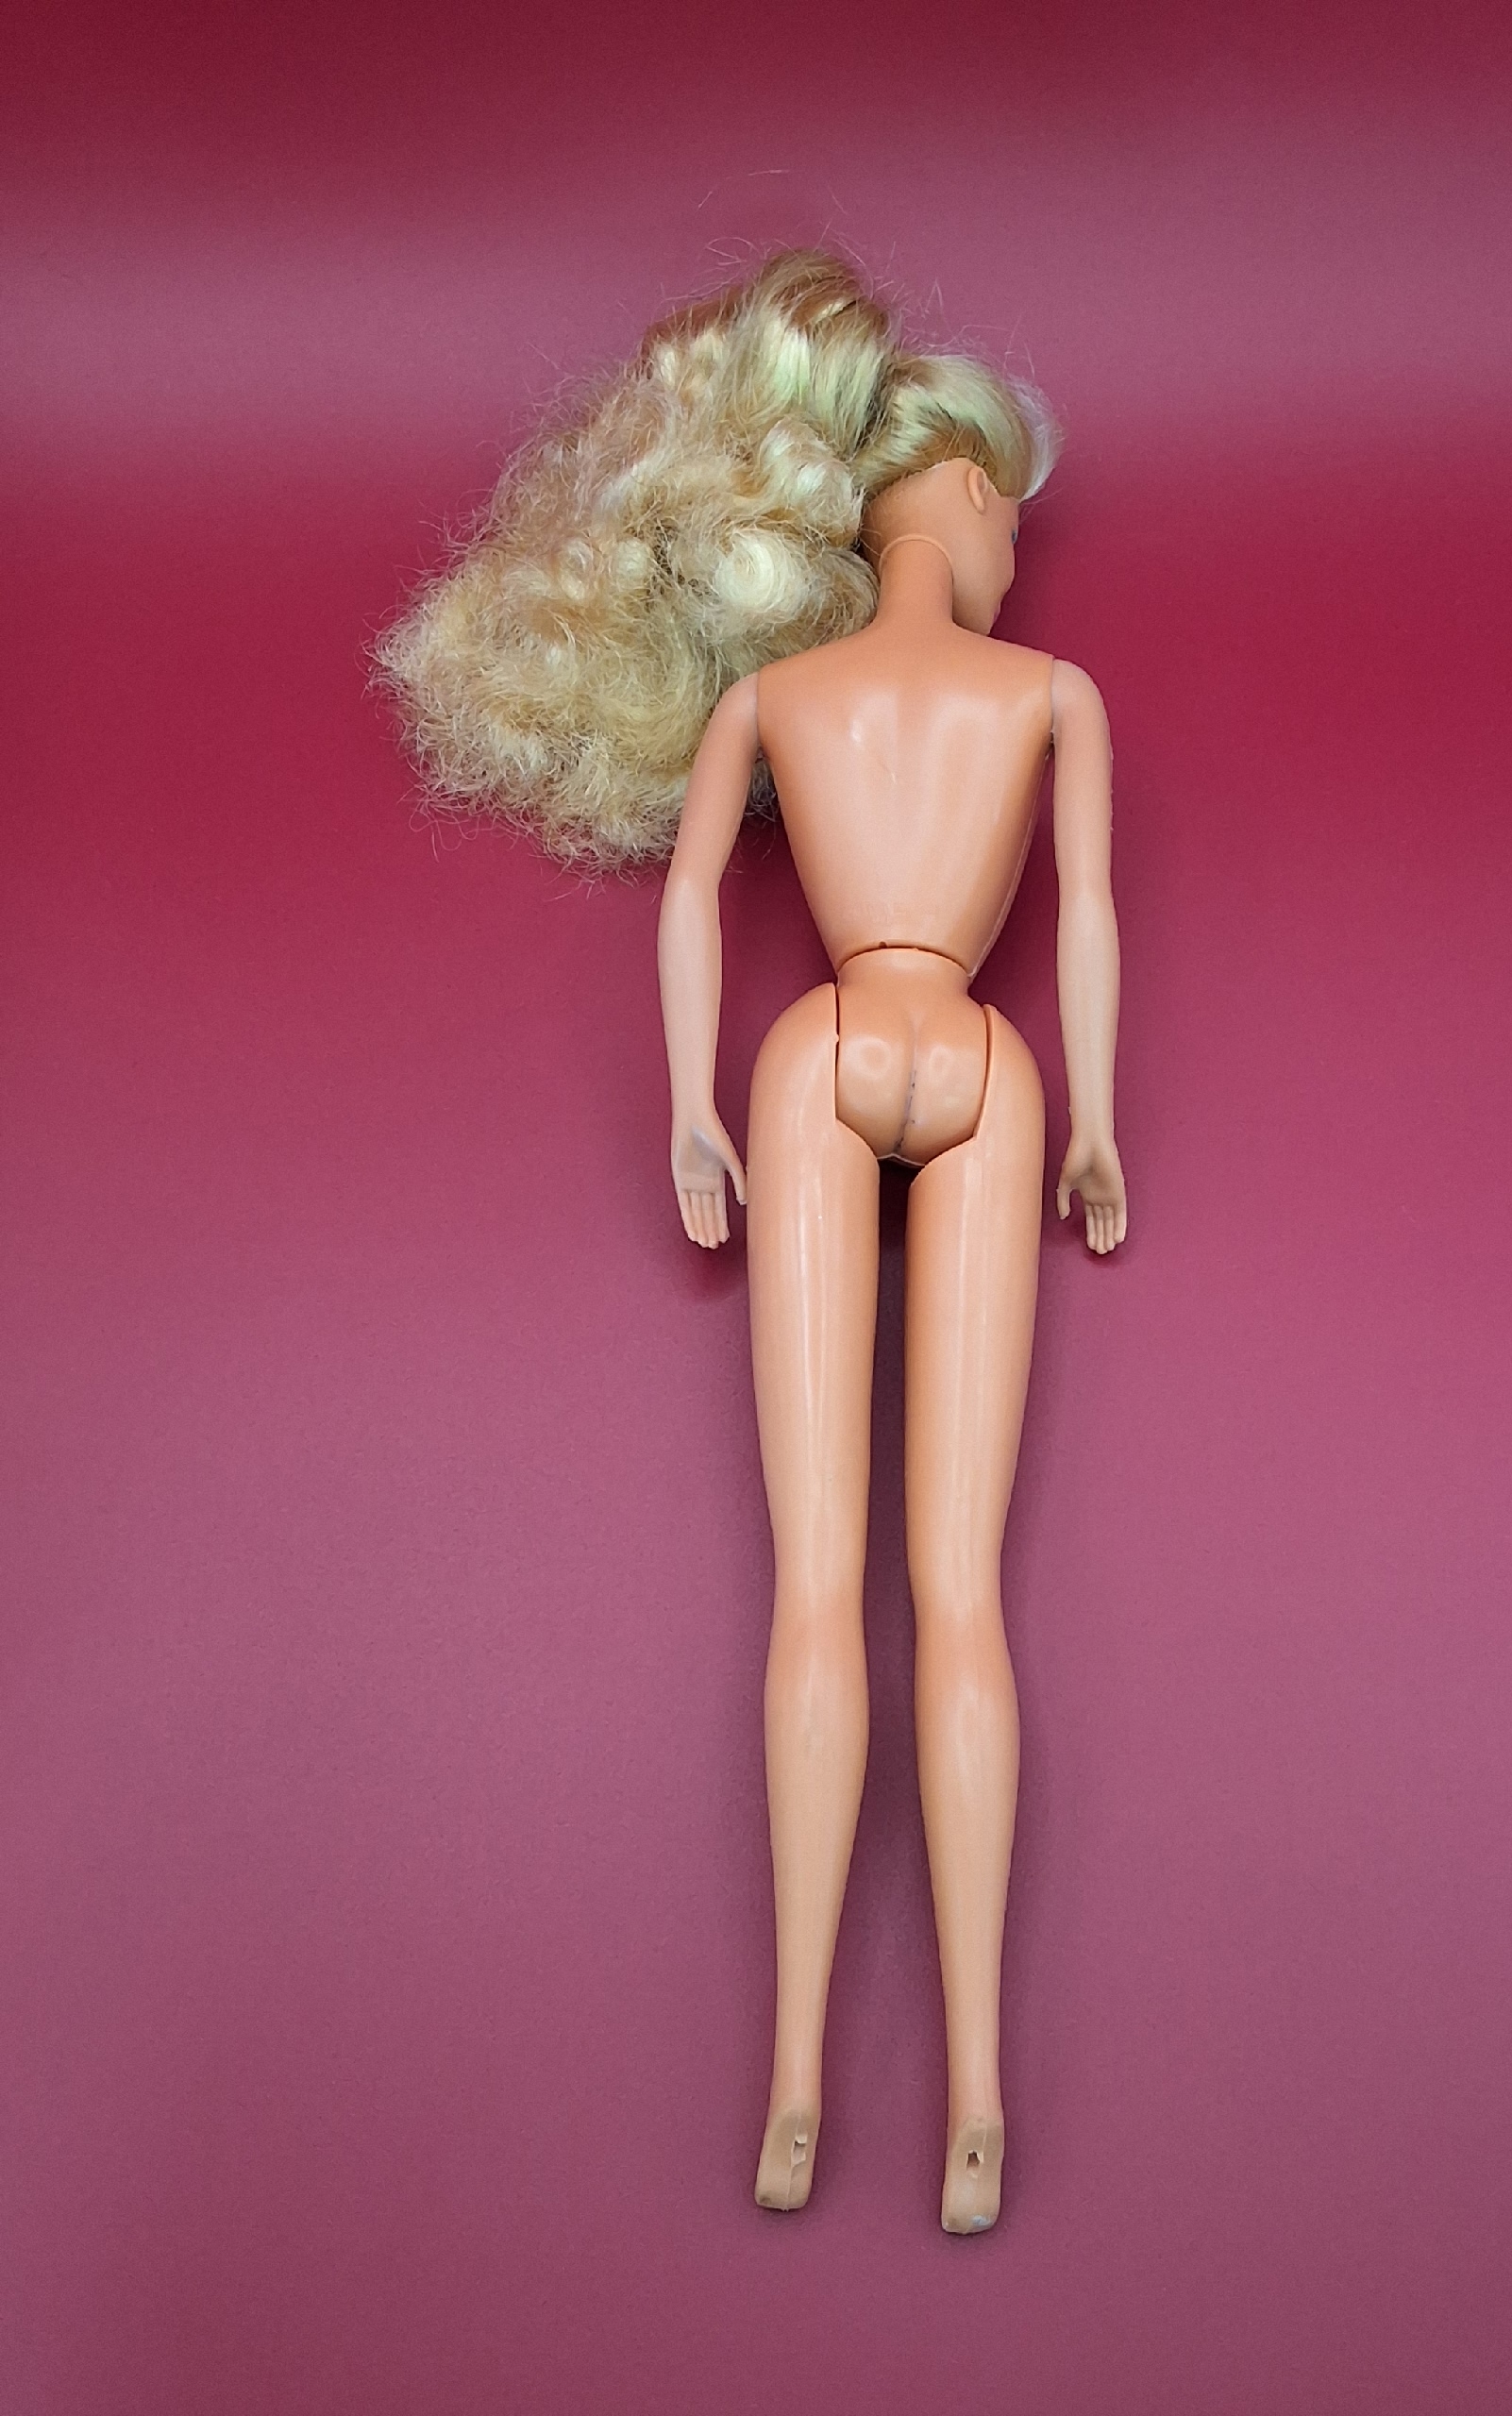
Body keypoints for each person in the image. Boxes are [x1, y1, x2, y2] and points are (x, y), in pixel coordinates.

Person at [379, 251, 1127, 2233]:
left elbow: (695, 895)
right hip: (985, 1060)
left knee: (818, 1587)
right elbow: (1088, 916)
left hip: (818, 1050)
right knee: (955, 1593)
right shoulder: (1053, 696)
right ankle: (974, 2098)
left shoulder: (776, 695)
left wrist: (697, 1103)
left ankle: (799, 2078)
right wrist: (1096, 1119)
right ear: (966, 491)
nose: (1013, 557)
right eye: (1011, 519)